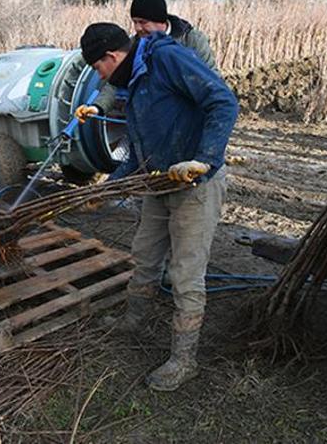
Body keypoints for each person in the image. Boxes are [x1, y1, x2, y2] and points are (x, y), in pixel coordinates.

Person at [78, 23, 238, 391]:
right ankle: (133, 319)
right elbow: (138, 149)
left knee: (185, 273)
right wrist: (108, 188)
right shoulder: (133, 78)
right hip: (158, 181)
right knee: (145, 255)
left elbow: (222, 100)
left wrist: (205, 159)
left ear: (111, 58)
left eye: (97, 68)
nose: (100, 78)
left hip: (195, 182)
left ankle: (184, 360)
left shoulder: (166, 59)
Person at [77, 0, 217, 122]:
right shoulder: (134, 45)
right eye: (134, 22)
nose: (138, 28)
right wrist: (97, 107)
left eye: (143, 22)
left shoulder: (191, 40)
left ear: (160, 21)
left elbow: (212, 80)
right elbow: (116, 81)